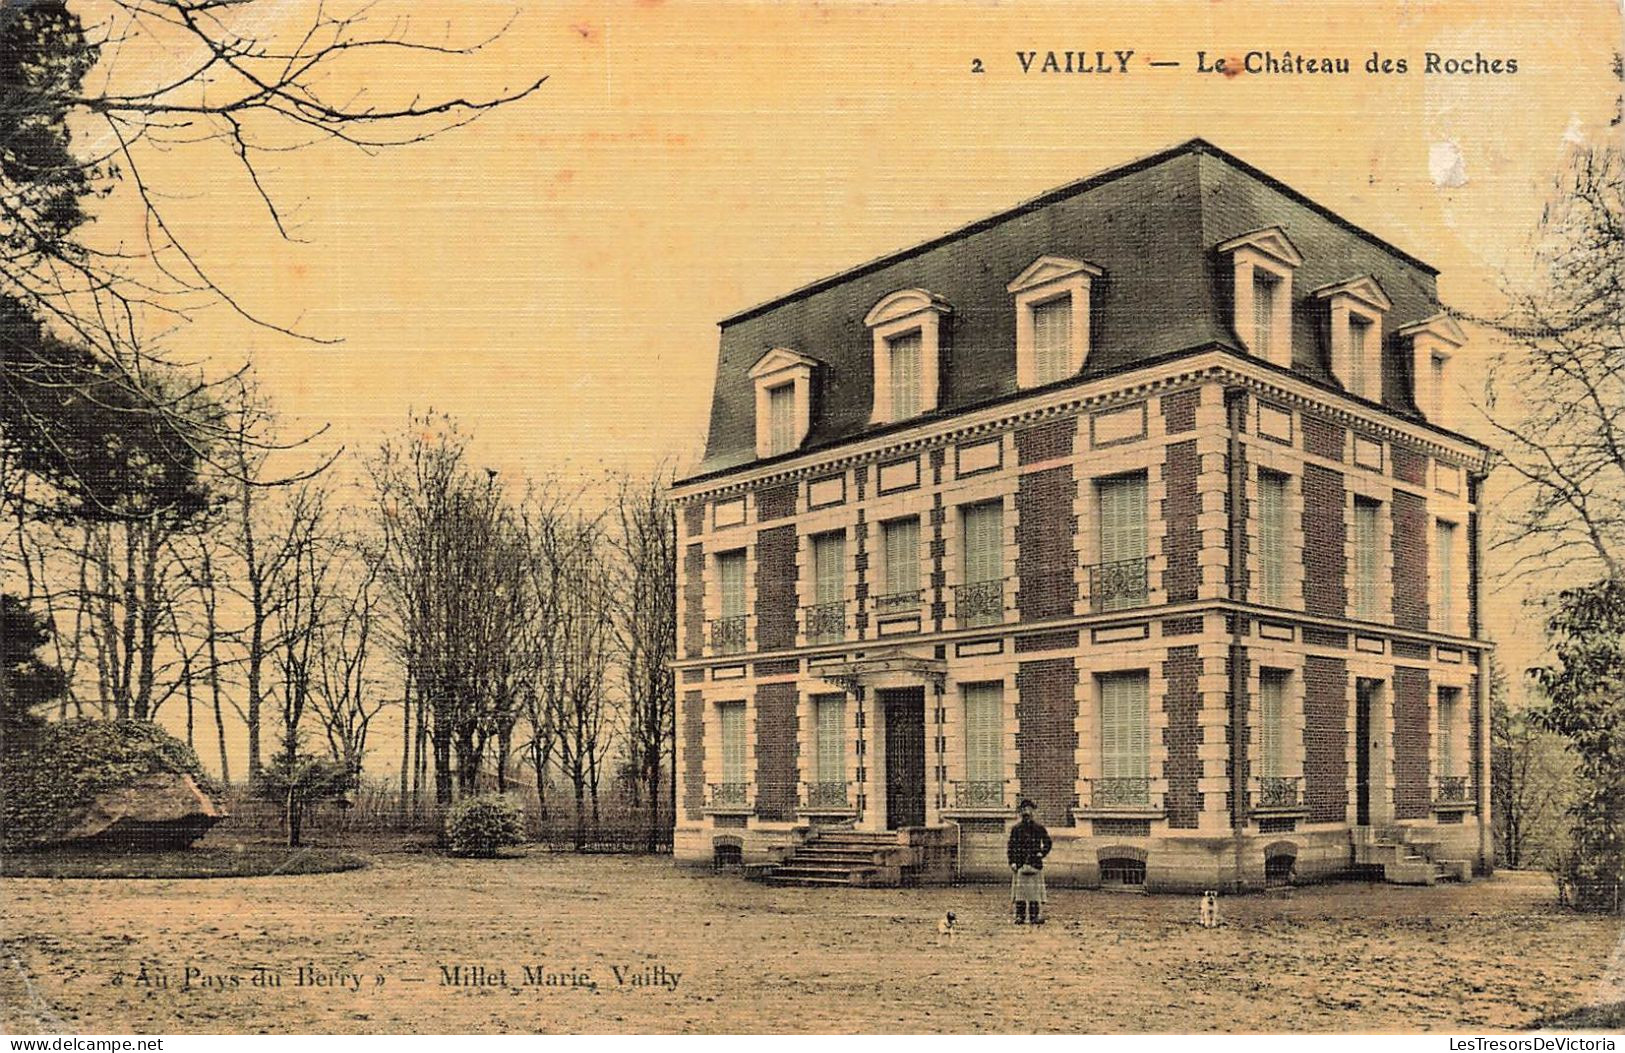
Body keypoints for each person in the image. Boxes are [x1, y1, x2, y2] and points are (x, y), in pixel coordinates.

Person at [1006, 798, 1052, 925]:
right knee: (1020, 893)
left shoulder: (1039, 828)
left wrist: (1041, 853)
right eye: (1024, 809)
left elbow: (1048, 842)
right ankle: (1020, 916)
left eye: (1029, 809)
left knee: (1034, 893)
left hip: (1035, 864)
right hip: (1020, 864)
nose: (1026, 812)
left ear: (1033, 811)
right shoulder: (1016, 829)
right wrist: (1012, 862)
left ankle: (1034, 916)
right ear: (1021, 812)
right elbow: (1011, 847)